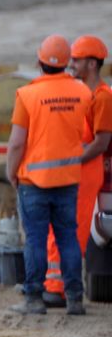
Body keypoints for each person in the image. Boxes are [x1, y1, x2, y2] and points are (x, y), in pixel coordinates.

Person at [6, 35, 92, 316]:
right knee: (68, 238)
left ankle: (33, 298)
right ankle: (75, 299)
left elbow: (17, 142)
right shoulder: (82, 93)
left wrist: (11, 171)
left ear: (39, 61)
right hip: (68, 180)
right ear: (68, 63)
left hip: (34, 182)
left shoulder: (27, 95)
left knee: (36, 239)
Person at [42, 34, 112, 306]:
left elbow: (101, 142)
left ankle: (62, 289)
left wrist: (73, 159)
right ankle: (56, 285)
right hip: (77, 167)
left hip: (86, 168)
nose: (71, 64)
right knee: (61, 224)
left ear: (92, 64)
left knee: (73, 228)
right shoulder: (82, 93)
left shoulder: (103, 97)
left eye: (76, 59)